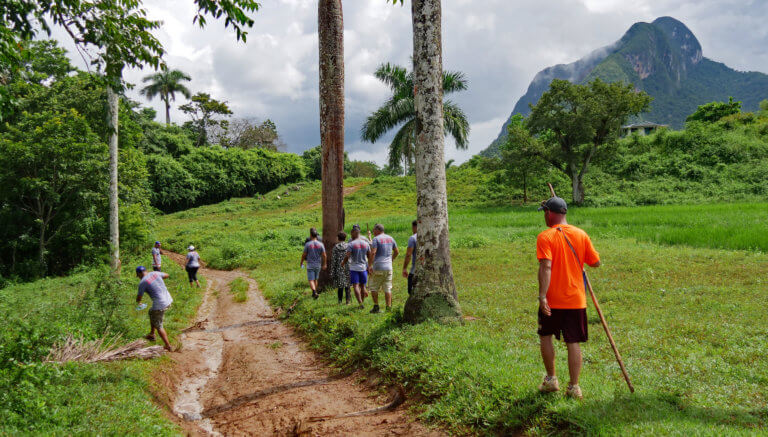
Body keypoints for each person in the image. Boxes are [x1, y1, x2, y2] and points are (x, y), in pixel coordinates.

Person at [536, 195, 601, 400]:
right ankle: (574, 388)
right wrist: (579, 260)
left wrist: (542, 296)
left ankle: (551, 380)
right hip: (575, 299)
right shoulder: (582, 235)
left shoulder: (545, 236)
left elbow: (546, 266)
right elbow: (596, 262)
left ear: (550, 213)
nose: (545, 216)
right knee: (573, 341)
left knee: (546, 336)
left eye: (545, 212)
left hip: (553, 300)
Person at [136, 266, 174, 351]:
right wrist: (157, 281)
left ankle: (168, 345)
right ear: (146, 271)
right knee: (151, 312)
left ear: (139, 274)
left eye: (138, 276)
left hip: (160, 304)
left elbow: (139, 297)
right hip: (168, 299)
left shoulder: (143, 282)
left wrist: (138, 301)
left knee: (159, 325)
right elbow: (166, 275)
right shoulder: (155, 273)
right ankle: (152, 334)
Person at [368, 223, 399, 313]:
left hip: (378, 266)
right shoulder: (390, 238)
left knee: (374, 287)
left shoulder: (376, 239)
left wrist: (370, 265)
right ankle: (388, 308)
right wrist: (391, 259)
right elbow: (397, 251)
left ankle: (376, 307)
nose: (373, 231)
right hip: (388, 267)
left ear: (378, 230)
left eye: (374, 230)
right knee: (387, 288)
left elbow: (373, 253)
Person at [342, 224, 372, 309]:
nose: (350, 235)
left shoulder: (351, 243)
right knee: (363, 286)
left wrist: (343, 263)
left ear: (353, 232)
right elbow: (370, 256)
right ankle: (362, 302)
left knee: (355, 285)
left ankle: (360, 304)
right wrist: (369, 266)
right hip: (363, 267)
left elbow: (347, 255)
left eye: (351, 233)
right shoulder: (366, 243)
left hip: (354, 267)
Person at [300, 228, 327, 299]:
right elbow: (324, 255)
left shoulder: (308, 244)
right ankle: (315, 293)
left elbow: (304, 255)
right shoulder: (321, 244)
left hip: (310, 264)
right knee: (315, 279)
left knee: (310, 280)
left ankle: (314, 292)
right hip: (318, 264)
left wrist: (301, 262)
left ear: (311, 235)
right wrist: (324, 264)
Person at [330, 231, 351, 304]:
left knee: (340, 285)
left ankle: (340, 301)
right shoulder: (349, 246)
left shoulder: (335, 247)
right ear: (345, 238)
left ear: (338, 238)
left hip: (339, 268)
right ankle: (348, 301)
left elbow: (333, 260)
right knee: (347, 285)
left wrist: (332, 272)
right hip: (348, 267)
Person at [402, 220, 418, 295]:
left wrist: (404, 268)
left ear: (414, 227)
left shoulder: (413, 238)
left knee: (411, 292)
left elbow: (408, 254)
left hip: (415, 270)